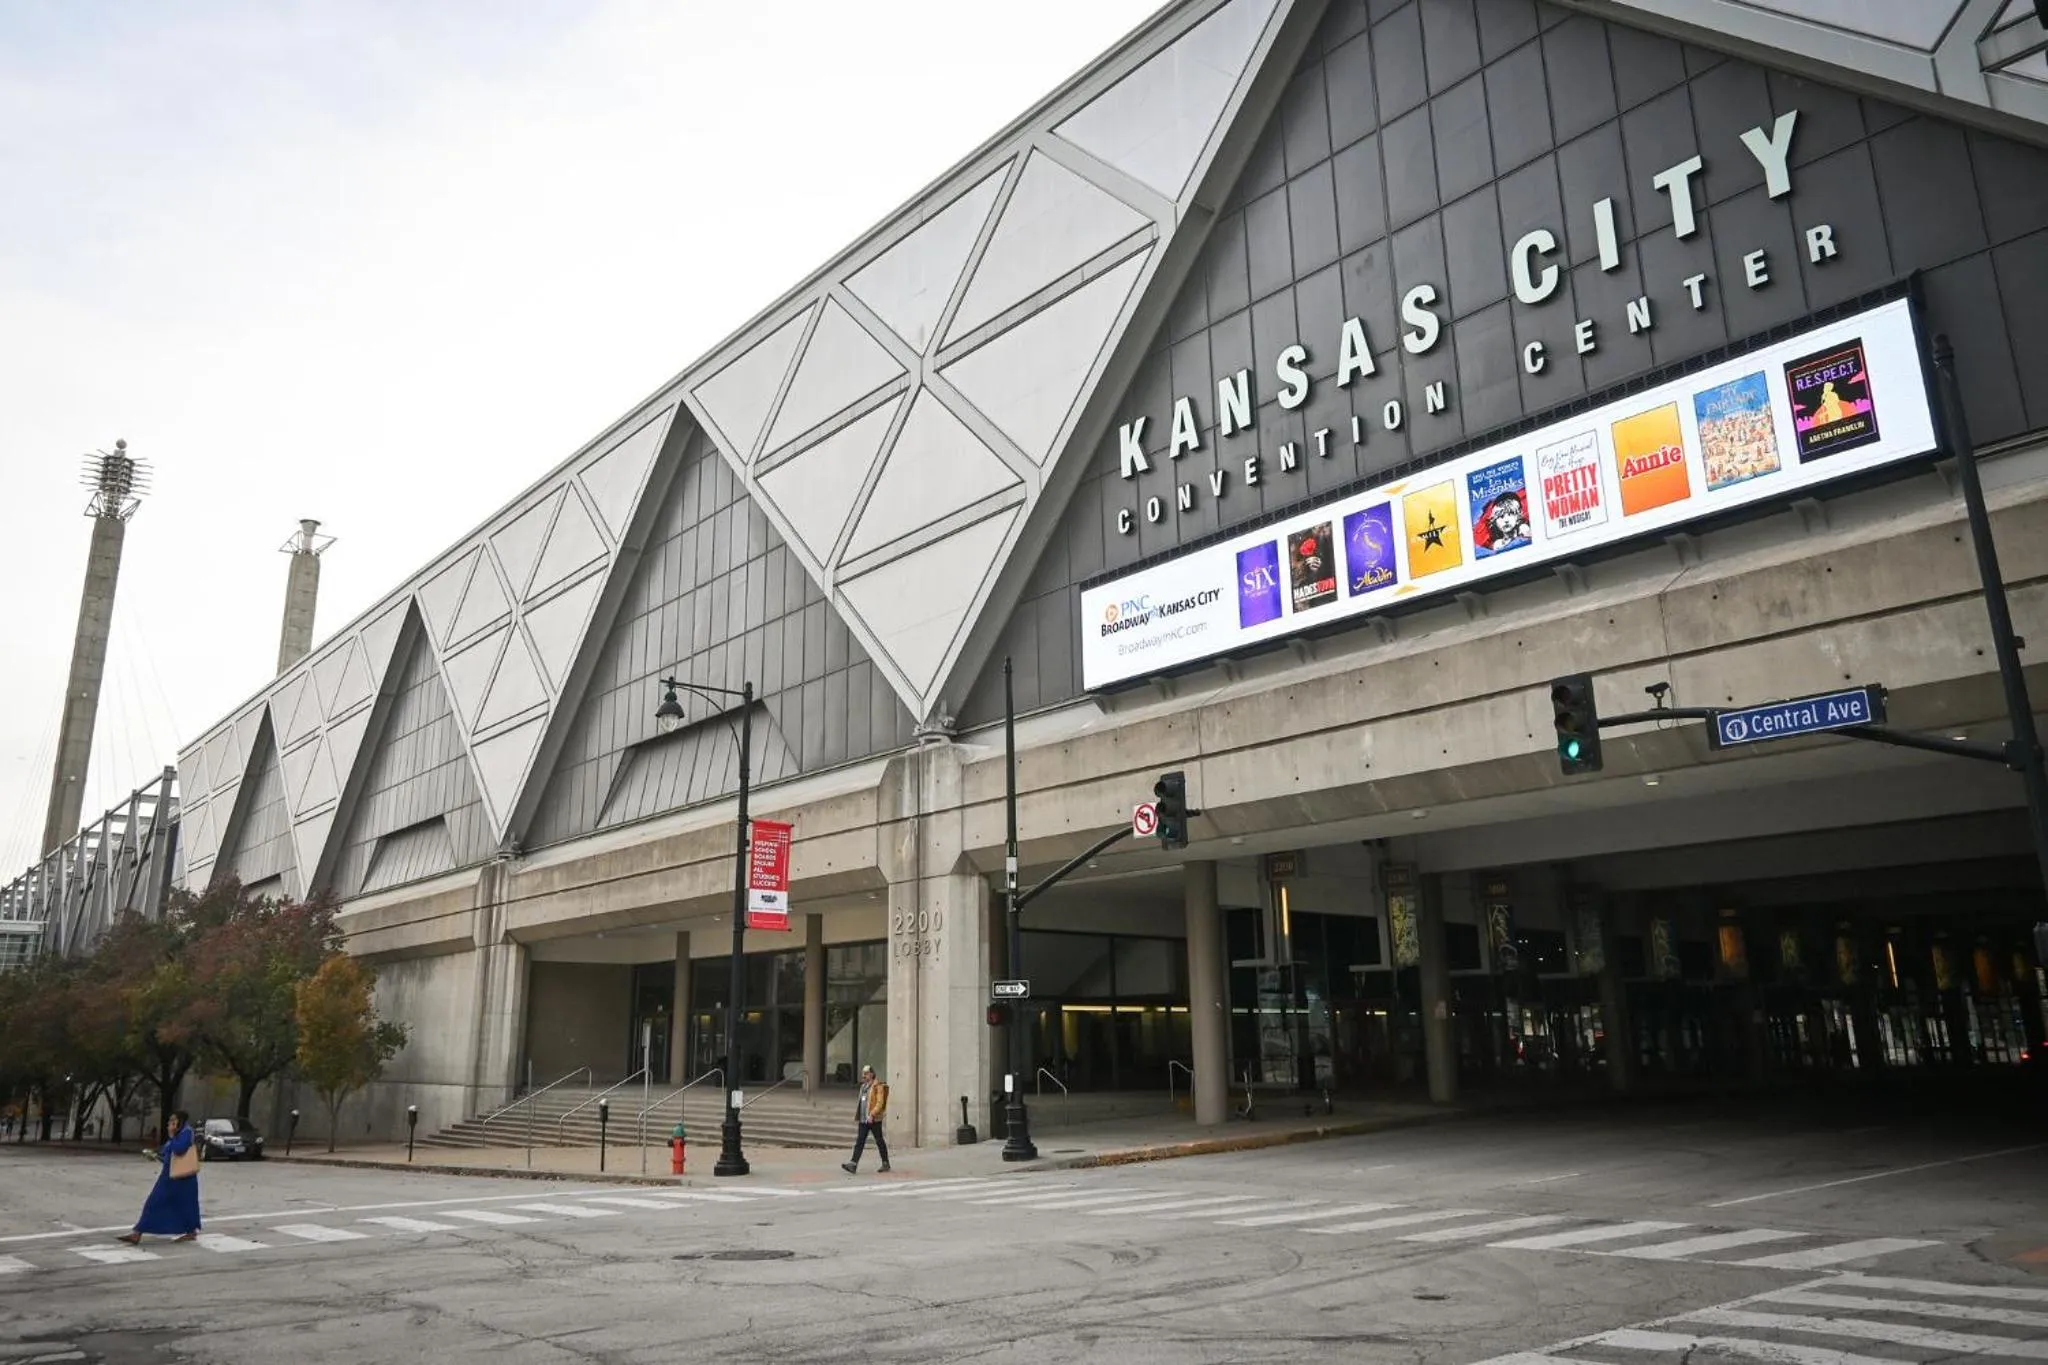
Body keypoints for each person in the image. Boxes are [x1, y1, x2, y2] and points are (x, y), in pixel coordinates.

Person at [118, 1111, 201, 1244]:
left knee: (185, 1204)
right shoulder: (179, 1133)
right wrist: (156, 1155)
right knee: (154, 1203)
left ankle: (191, 1231)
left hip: (183, 1179)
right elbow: (168, 1154)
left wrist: (172, 1135)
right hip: (169, 1177)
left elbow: (179, 1149)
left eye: (173, 1121)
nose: (170, 1123)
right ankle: (137, 1232)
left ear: (180, 1121)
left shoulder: (186, 1132)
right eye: (170, 1121)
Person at [839, 1065, 891, 1175]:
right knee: (860, 1141)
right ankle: (853, 1164)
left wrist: (872, 1114)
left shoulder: (878, 1086)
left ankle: (885, 1163)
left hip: (874, 1119)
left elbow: (880, 1103)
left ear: (872, 1074)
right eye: (863, 1073)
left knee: (879, 1140)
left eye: (866, 1073)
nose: (864, 1075)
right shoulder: (863, 1087)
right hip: (864, 1119)